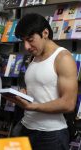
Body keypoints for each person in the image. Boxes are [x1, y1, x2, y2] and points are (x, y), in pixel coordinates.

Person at [5, 13, 78, 150]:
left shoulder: (63, 58)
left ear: (45, 33)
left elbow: (68, 104)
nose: (26, 46)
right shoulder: (34, 56)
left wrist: (33, 106)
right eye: (23, 41)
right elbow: (40, 89)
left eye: (30, 39)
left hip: (51, 135)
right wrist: (24, 94)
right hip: (25, 127)